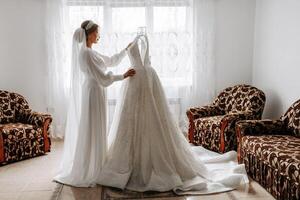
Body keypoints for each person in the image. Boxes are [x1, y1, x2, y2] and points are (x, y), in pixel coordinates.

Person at [97, 34, 249, 195]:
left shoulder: (142, 39)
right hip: (135, 79)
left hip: (143, 79)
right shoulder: (135, 42)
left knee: (152, 116)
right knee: (130, 119)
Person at [54, 20, 135, 187]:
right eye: (97, 32)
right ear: (90, 34)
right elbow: (103, 78)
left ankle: (96, 162)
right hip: (94, 92)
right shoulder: (86, 54)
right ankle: (93, 166)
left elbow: (111, 61)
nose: (99, 35)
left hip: (95, 91)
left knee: (96, 125)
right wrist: (123, 76)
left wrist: (126, 51)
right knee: (93, 126)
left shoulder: (90, 52)